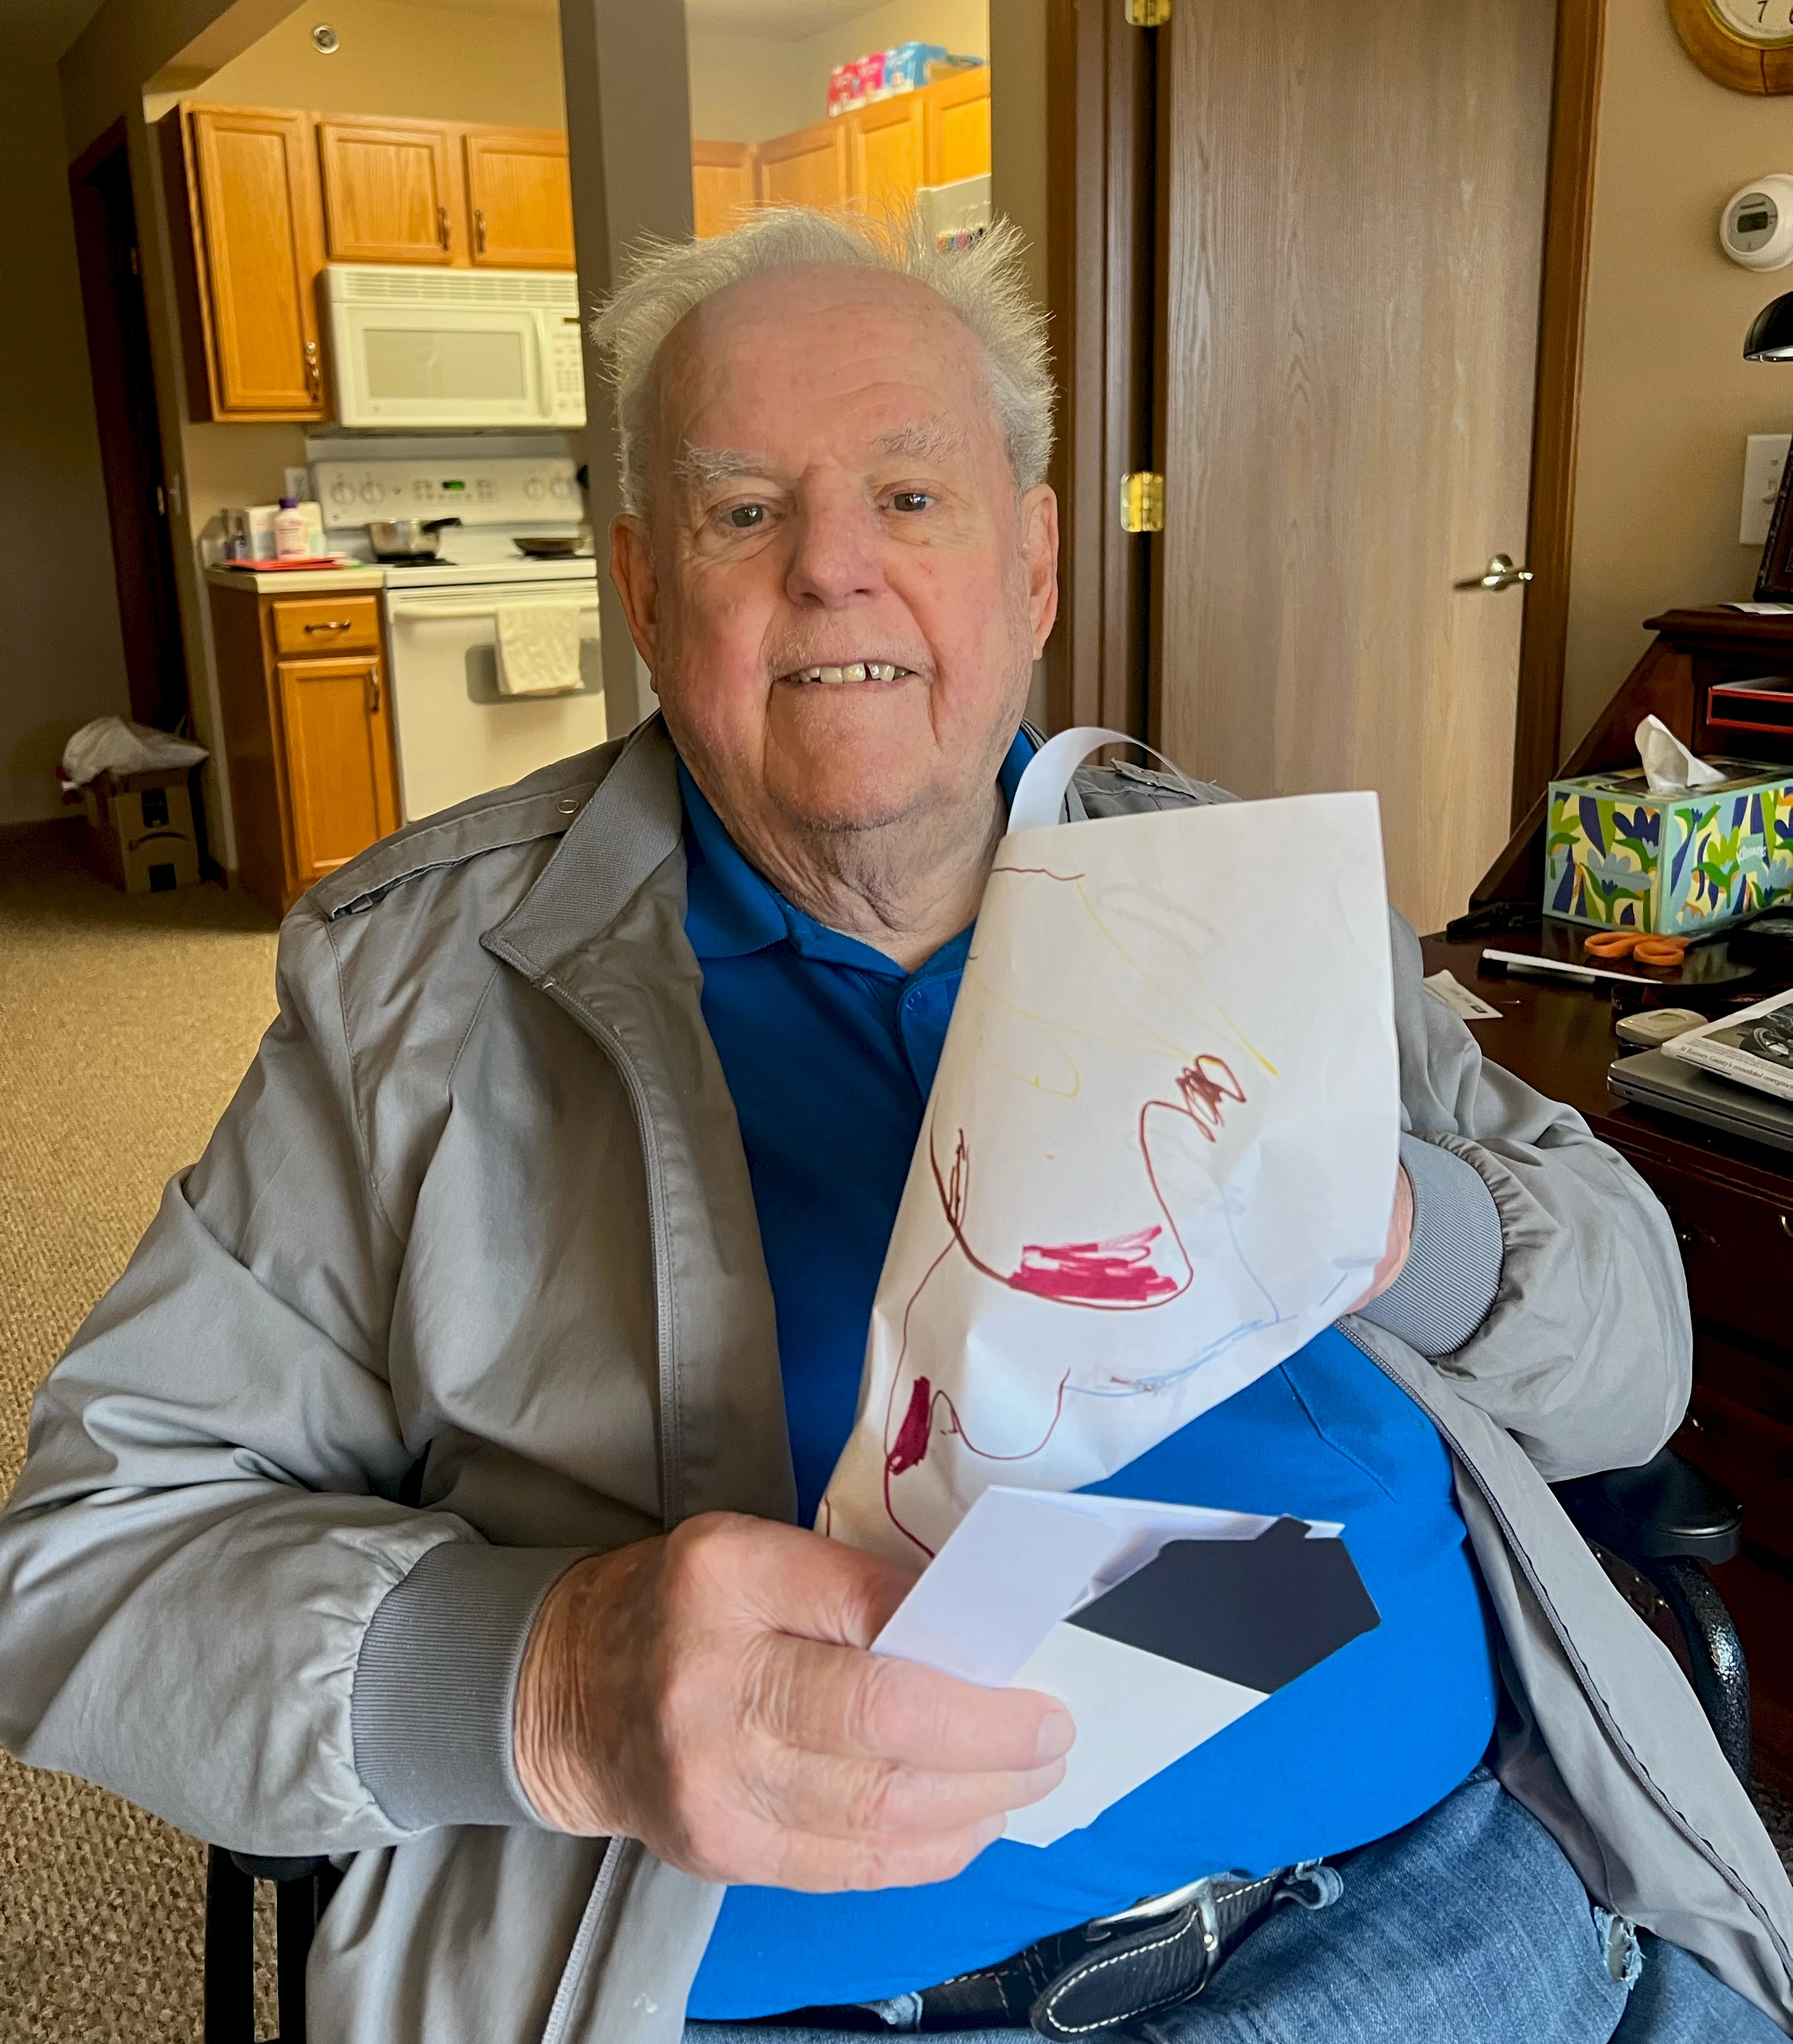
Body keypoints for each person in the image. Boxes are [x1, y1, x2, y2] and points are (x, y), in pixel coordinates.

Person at [1, 208, 1789, 2044]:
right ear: (643, 588)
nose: (833, 567)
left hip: (1461, 1920)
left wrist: (1392, 1219)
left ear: (1032, 571)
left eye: (912, 498)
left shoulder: (1233, 881)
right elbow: (80, 1571)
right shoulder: (412, 992)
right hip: (835, 2007)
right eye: (742, 510)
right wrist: (553, 1688)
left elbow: (1632, 1360)